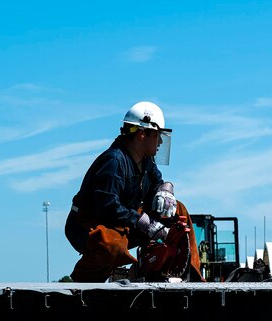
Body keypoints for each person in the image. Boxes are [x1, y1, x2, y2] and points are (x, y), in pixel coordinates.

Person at [64, 101, 200, 282]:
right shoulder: (113, 162)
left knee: (178, 209)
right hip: (88, 224)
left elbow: (156, 184)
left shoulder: (146, 161)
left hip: (124, 220)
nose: (160, 141)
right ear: (142, 134)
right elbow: (108, 208)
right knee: (110, 244)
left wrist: (166, 190)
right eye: (157, 135)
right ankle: (82, 287)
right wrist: (146, 224)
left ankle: (187, 276)